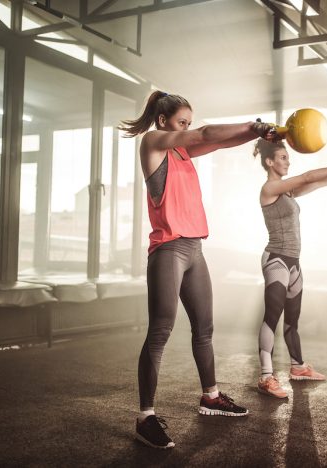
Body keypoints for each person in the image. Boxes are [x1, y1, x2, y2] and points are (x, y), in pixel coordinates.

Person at [119, 91, 281, 449]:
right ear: (163, 122)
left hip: (195, 250)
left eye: (188, 123)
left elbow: (218, 143)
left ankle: (210, 396)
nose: (187, 129)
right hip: (168, 250)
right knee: (160, 331)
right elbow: (207, 135)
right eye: (181, 123)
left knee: (204, 328)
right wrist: (254, 124)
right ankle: (145, 417)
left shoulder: (180, 151)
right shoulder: (154, 143)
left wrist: (259, 134)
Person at [252, 137, 327, 399]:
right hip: (276, 259)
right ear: (269, 162)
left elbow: (317, 182)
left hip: (294, 261)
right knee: (272, 316)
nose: (287, 161)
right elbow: (308, 175)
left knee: (292, 320)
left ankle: (298, 368)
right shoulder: (270, 189)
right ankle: (266, 377)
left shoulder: (287, 191)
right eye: (282, 158)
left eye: (287, 158)